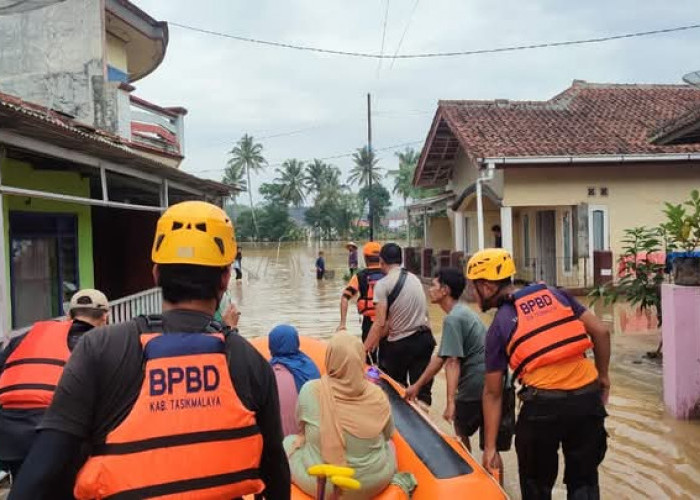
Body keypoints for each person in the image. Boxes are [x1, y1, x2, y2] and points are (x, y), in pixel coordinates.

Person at [9, 201, 290, 500]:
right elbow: (276, 472)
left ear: (155, 274)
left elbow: (41, 472)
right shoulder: (252, 361)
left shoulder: (99, 348)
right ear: (224, 278)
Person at [469, 248, 610, 500]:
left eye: (474, 286)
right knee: (585, 483)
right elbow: (601, 332)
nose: (472, 293)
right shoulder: (555, 294)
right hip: (587, 402)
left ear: (487, 287)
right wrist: (603, 378)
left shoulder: (498, 327)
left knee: (536, 487)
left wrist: (490, 448)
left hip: (542, 410)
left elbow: (492, 392)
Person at [0, 289, 109, 485]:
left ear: (69, 316)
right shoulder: (100, 343)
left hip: (10, 435)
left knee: (26, 487)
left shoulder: (24, 338)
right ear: (105, 318)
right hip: (55, 433)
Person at [284, 334, 396, 499]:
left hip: (322, 483)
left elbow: (301, 426)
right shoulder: (378, 395)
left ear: (330, 359)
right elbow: (387, 434)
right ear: (360, 359)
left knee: (287, 442)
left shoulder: (310, 391)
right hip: (373, 482)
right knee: (390, 446)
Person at [404, 268, 486, 451]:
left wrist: (451, 403)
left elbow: (452, 362)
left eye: (433, 285)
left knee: (459, 434)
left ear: (445, 290)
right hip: (493, 383)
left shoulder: (453, 319)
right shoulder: (462, 313)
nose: (429, 289)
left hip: (475, 384)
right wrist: (417, 386)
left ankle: (466, 474)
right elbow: (440, 357)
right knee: (490, 448)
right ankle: (494, 480)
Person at [364, 243, 436, 405]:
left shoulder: (383, 285)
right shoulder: (415, 279)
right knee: (422, 392)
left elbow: (380, 323)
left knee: (394, 390)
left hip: (400, 346)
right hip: (425, 339)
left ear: (382, 262)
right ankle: (425, 422)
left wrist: (363, 349)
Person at [269, 324, 321, 436]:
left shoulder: (268, 374)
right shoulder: (310, 367)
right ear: (296, 342)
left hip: (279, 440)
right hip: (310, 437)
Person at [338, 241, 386, 344]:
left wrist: (343, 323)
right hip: (387, 322)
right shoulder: (389, 274)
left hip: (368, 322)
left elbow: (345, 297)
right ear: (381, 257)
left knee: (368, 355)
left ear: (365, 258)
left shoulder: (359, 276)